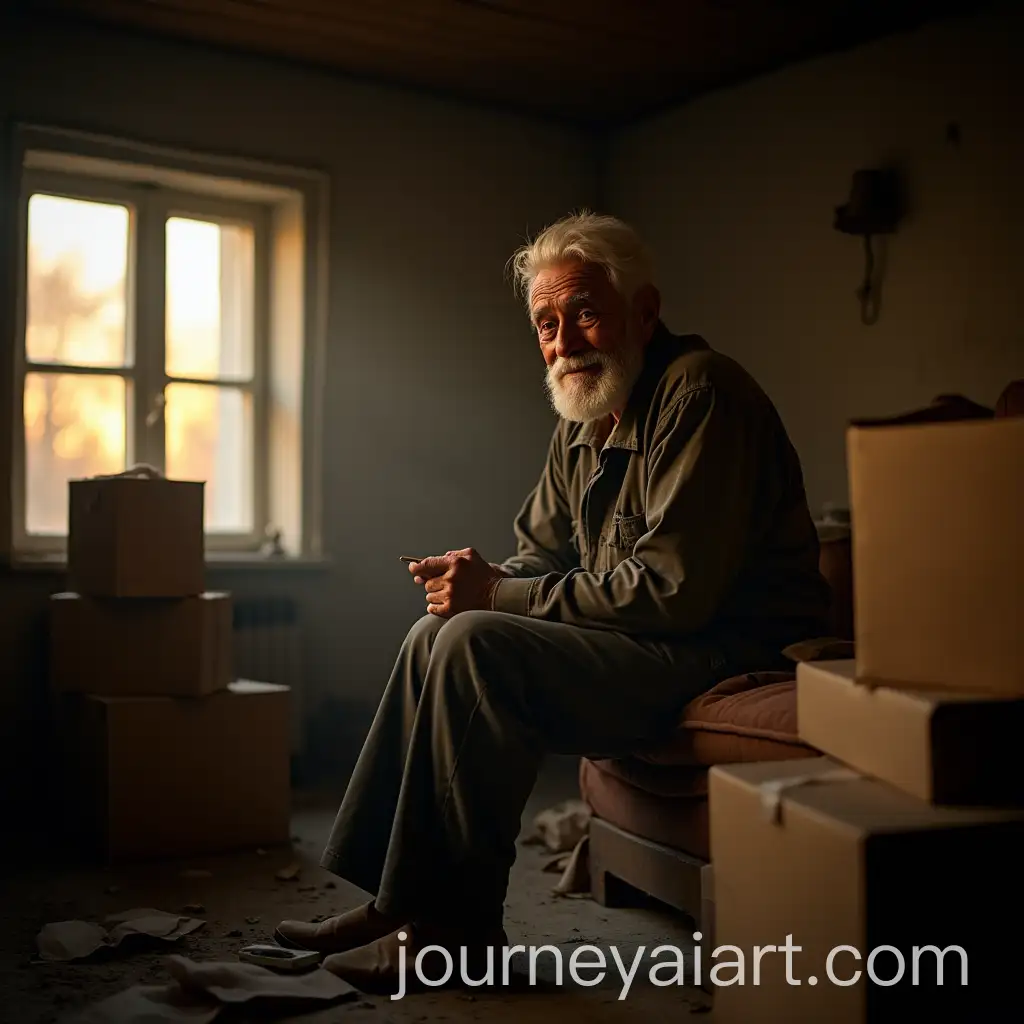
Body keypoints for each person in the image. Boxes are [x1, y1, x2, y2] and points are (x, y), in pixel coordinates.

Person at [275, 211, 830, 993]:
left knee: (476, 645)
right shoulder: (583, 411)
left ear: (644, 312)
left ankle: (453, 932)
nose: (564, 341)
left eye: (587, 314)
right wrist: (474, 585)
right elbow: (541, 552)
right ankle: (396, 904)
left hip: (724, 646)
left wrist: (498, 595)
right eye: (546, 323)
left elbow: (672, 592)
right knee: (436, 635)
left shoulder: (701, 392)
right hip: (648, 639)